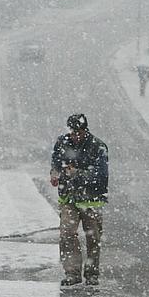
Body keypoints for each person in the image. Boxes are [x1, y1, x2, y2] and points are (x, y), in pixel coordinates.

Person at [50, 114, 109, 286]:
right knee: (67, 234)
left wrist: (77, 174)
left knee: (93, 238)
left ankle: (91, 274)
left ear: (85, 130)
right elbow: (56, 163)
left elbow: (101, 176)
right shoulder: (62, 143)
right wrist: (54, 173)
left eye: (79, 132)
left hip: (91, 200)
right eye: (73, 132)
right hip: (69, 197)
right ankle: (72, 273)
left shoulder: (98, 147)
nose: (76, 136)